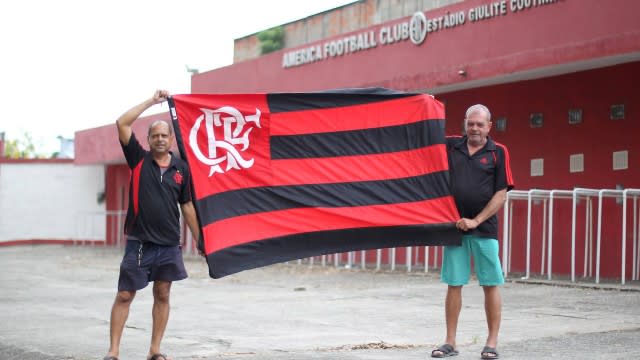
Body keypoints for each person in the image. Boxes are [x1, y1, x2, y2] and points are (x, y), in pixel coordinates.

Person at [103, 90, 200, 360]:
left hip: (169, 243)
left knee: (163, 293)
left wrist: (199, 238)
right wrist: (151, 102)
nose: (159, 139)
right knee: (124, 294)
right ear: (148, 140)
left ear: (170, 139)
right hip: (140, 242)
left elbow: (188, 206)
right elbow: (121, 123)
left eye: (164, 135)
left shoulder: (181, 168)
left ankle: (155, 351)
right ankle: (113, 351)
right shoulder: (137, 159)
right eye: (154, 135)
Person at [431, 104, 514, 359]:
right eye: (471, 123)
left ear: (489, 126)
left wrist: (476, 220)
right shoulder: (451, 146)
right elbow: (426, 135)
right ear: (465, 124)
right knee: (454, 284)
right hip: (454, 227)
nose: (475, 128)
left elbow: (501, 194)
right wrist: (427, 105)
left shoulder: (498, 152)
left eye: (480, 124)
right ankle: (450, 342)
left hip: (484, 229)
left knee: (490, 283)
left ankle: (491, 343)